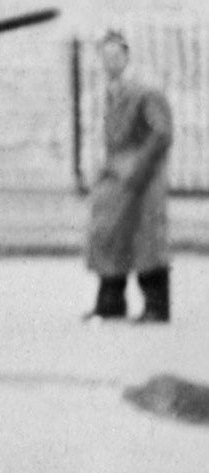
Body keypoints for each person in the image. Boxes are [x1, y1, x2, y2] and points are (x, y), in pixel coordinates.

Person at [85, 31, 174, 323]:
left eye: (116, 56)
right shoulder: (113, 92)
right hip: (118, 178)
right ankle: (110, 301)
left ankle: (156, 306)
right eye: (105, 57)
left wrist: (139, 169)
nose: (111, 63)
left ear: (126, 57)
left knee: (147, 240)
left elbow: (161, 132)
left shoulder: (145, 92)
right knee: (110, 236)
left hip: (142, 178)